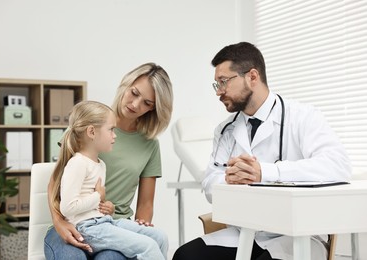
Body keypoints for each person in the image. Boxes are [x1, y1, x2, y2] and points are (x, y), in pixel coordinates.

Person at [172, 42, 351, 260]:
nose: (219, 91)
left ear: (252, 77)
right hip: (244, 231)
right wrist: (232, 178)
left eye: (224, 82)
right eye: (216, 84)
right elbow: (210, 184)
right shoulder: (225, 130)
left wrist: (265, 173)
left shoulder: (303, 116)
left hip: (296, 235)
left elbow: (337, 165)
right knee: (186, 256)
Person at [44, 63, 173, 260]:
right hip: (71, 222)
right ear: (126, 84)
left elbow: (146, 203)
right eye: (134, 93)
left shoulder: (149, 145)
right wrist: (59, 222)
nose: (135, 104)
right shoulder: (90, 124)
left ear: (154, 108)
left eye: (147, 103)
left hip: (114, 224)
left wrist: (140, 230)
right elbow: (55, 181)